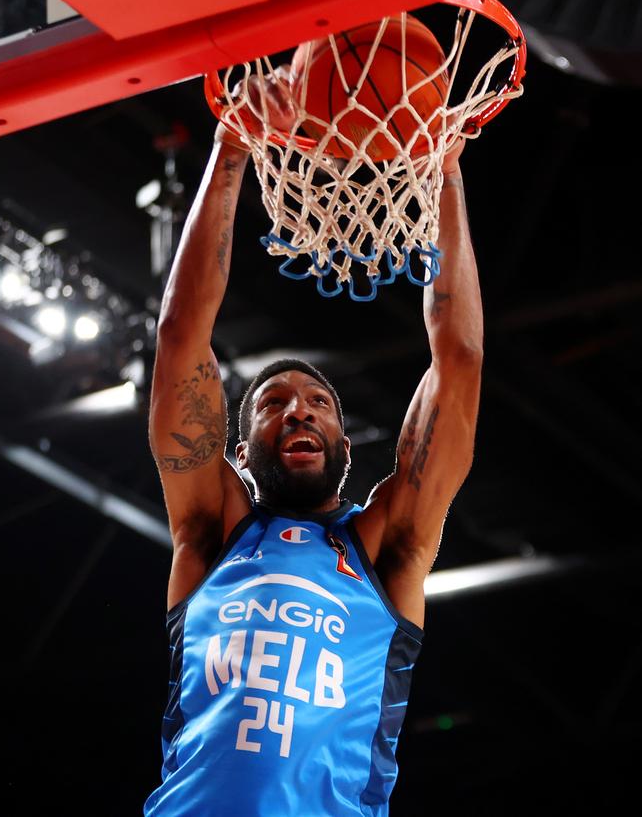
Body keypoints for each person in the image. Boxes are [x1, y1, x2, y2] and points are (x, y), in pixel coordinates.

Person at [143, 75, 483, 816]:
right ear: (238, 446)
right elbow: (179, 340)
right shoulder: (213, 531)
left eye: (319, 403)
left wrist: (444, 169)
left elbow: (457, 361)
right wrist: (232, 147)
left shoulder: (387, 543)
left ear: (344, 445)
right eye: (272, 403)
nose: (300, 411)